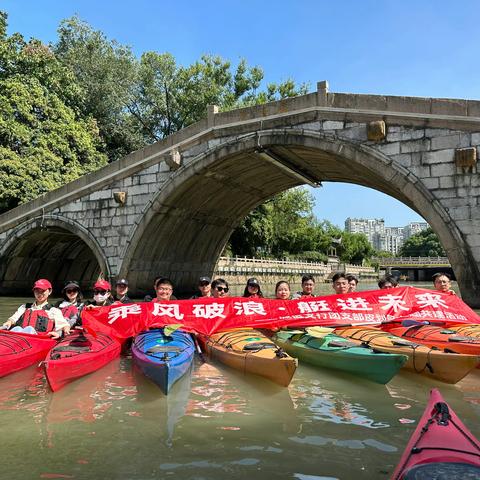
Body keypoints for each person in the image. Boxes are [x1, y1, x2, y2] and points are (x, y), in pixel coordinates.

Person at [2, 279, 70, 339]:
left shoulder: (53, 310)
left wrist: (58, 333)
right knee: (17, 328)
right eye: (37, 291)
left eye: (43, 291)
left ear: (49, 291)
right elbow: (13, 319)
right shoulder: (24, 307)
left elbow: (64, 325)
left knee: (29, 329)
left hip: (37, 339)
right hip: (19, 336)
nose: (39, 294)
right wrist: (9, 322)